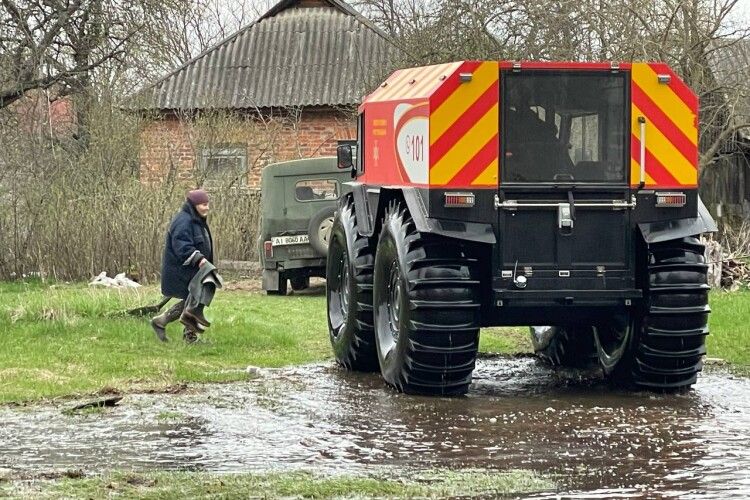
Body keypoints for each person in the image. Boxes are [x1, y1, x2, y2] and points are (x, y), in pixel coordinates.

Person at [151, 189, 214, 343]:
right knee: (195, 298)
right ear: (194, 205)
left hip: (193, 269)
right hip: (181, 270)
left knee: (193, 299)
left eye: (207, 204)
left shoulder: (196, 219)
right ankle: (189, 336)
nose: (207, 208)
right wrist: (199, 259)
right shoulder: (183, 221)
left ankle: (161, 322)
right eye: (203, 205)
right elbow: (182, 246)